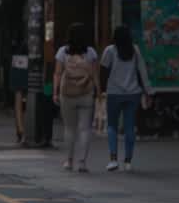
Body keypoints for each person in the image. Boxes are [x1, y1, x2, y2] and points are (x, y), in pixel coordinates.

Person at [99, 25, 153, 173]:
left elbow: (102, 72)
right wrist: (148, 92)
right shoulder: (135, 50)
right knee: (130, 127)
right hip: (133, 93)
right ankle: (128, 161)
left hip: (114, 93)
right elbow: (142, 71)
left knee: (112, 126)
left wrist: (101, 90)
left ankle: (113, 159)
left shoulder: (109, 51)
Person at [53, 23, 99, 173]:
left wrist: (55, 92)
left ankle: (69, 160)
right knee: (85, 128)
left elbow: (58, 73)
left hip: (68, 94)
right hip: (86, 93)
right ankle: (82, 163)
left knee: (69, 128)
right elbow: (94, 75)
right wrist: (99, 91)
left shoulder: (63, 52)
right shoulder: (91, 52)